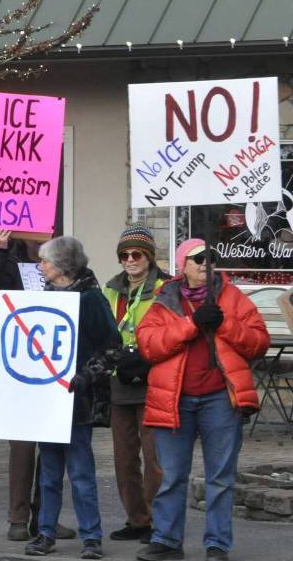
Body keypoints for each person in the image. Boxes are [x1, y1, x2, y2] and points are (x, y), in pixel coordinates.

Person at [135, 239, 270, 561]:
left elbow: (258, 343)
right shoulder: (164, 299)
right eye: (197, 259)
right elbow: (150, 345)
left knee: (221, 478)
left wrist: (225, 323)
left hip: (220, 400)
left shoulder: (234, 298)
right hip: (174, 401)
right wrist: (191, 324)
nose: (205, 263)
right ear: (183, 265)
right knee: (171, 476)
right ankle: (167, 542)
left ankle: (217, 546)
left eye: (211, 257)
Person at [25, 236, 121, 559]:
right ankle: (45, 533)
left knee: (80, 472)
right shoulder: (47, 296)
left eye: (46, 262)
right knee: (49, 473)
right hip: (48, 399)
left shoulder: (91, 299)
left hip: (77, 400)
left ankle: (91, 537)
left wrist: (85, 376)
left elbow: (112, 348)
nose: (41, 267)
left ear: (63, 266)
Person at [0, 229, 76, 542]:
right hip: (18, 366)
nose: (44, 235)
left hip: (55, 367)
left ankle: (45, 517)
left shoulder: (64, 262)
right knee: (22, 447)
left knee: (52, 444)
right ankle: (18, 518)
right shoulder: (10, 259)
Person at [102, 226, 168, 544]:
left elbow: (173, 331)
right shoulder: (111, 290)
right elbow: (101, 327)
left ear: (149, 256)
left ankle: (159, 521)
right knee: (124, 456)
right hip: (120, 382)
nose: (130, 260)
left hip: (155, 380)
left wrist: (146, 357)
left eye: (136, 254)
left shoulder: (165, 288)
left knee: (155, 456)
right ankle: (137, 518)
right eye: (124, 255)